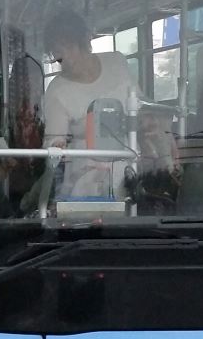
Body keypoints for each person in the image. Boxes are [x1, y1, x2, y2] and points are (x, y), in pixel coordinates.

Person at [38, 11, 141, 202]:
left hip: (132, 168)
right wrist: (56, 147)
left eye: (69, 47)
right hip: (86, 178)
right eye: (57, 52)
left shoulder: (117, 62)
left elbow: (139, 106)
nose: (65, 57)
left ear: (85, 40)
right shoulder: (57, 91)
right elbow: (52, 142)